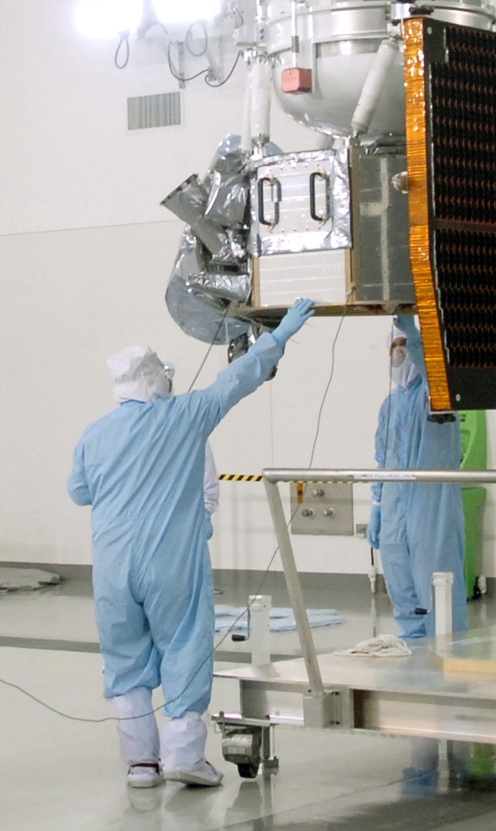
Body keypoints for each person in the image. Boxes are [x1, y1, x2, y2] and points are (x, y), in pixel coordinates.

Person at [69, 296, 315, 789]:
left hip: (112, 567)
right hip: (170, 562)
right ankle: (183, 755)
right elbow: (237, 379)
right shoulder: (185, 416)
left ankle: (141, 764)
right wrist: (281, 335)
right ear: (158, 379)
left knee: (125, 660)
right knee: (183, 644)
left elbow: (78, 492)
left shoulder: (94, 435)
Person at [370, 314, 466, 642]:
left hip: (432, 505)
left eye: (406, 345)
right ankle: (413, 649)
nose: (400, 352)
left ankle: (449, 651)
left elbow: (434, 370)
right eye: (395, 345)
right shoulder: (389, 404)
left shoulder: (440, 392)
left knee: (437, 583)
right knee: (401, 584)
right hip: (395, 508)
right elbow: (383, 459)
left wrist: (415, 333)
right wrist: (377, 505)